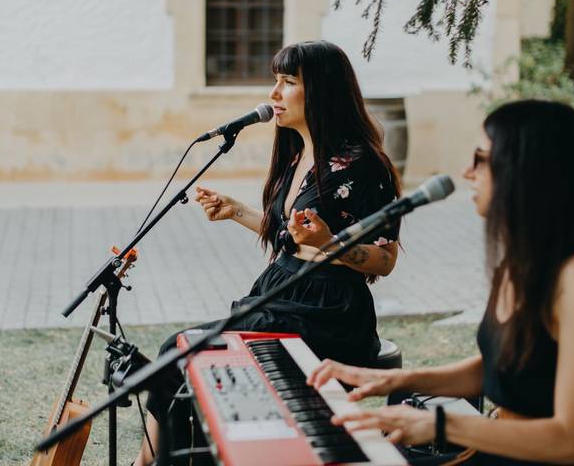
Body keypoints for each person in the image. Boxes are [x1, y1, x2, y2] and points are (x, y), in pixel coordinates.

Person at [307, 99, 574, 465]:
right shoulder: (521, 260)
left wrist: (440, 425)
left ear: (527, 170)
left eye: (480, 158)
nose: (466, 172)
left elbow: (572, 441)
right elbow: (490, 368)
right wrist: (389, 381)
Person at [134, 40, 402, 465]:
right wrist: (237, 211)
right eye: (275, 81)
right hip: (283, 289)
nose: (274, 94)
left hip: (328, 310)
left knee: (180, 352)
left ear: (322, 91)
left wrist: (331, 245)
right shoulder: (297, 155)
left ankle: (150, 464)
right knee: (190, 360)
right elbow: (291, 235)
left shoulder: (363, 164)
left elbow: (385, 260)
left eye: (288, 82)